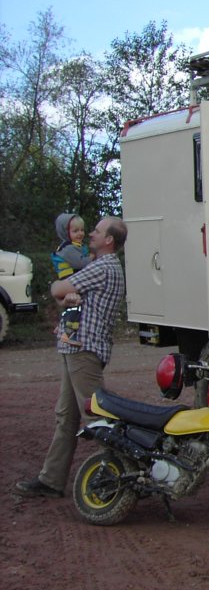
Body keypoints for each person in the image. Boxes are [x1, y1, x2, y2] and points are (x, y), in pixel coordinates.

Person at [15, 216, 127, 499]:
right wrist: (65, 296)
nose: (90, 234)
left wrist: (62, 291)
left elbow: (58, 289)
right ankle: (51, 480)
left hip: (83, 350)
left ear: (109, 240)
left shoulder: (102, 267)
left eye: (97, 231)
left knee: (96, 416)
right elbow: (64, 296)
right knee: (66, 416)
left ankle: (121, 475)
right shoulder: (101, 266)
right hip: (76, 349)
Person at [50, 213, 93, 345]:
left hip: (70, 279)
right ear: (65, 233)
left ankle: (61, 326)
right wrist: (93, 256)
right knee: (76, 306)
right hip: (69, 280)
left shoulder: (73, 246)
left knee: (71, 307)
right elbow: (82, 263)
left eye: (82, 230)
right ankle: (68, 334)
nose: (80, 233)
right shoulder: (68, 249)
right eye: (75, 231)